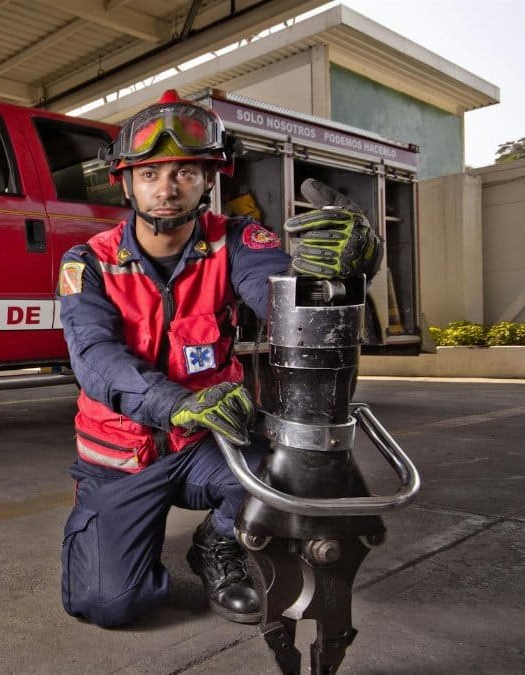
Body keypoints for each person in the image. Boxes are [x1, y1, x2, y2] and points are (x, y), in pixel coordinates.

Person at [56, 89, 381, 628]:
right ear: (126, 182)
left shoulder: (238, 242)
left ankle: (217, 542)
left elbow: (285, 301)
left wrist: (345, 275)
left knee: (292, 466)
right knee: (110, 604)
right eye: (150, 174)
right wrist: (176, 402)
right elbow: (93, 357)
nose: (166, 188)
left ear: (209, 179)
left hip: (207, 444)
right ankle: (123, 536)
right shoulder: (87, 261)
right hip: (120, 458)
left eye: (184, 172)